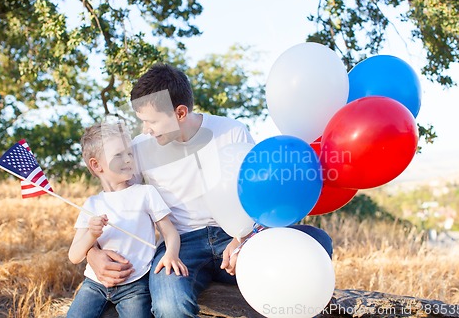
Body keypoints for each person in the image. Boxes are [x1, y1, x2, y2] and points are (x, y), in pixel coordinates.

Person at [86, 63, 333, 317]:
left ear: (180, 113)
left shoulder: (232, 132)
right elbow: (113, 202)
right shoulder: (140, 147)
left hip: (236, 235)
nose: (145, 130)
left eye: (151, 122)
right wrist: (92, 252)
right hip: (181, 243)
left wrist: (244, 239)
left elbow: (260, 197)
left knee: (318, 242)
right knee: (170, 306)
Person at [67, 122, 188, 318]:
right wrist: (91, 234)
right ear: (96, 165)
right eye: (118, 155)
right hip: (95, 284)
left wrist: (171, 254)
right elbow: (74, 256)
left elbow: (170, 232)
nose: (128, 160)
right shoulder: (92, 204)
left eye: (130, 154)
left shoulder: (145, 193)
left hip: (135, 285)